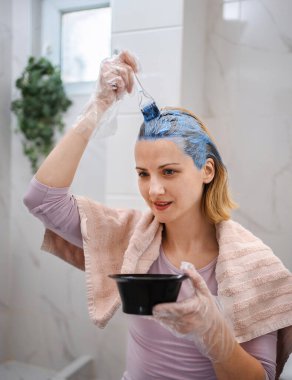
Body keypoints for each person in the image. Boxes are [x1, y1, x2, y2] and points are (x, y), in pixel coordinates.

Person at [23, 51, 292, 380]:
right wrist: (98, 105)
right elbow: (42, 199)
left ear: (207, 170)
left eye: (168, 172)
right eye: (143, 173)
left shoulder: (253, 265)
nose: (153, 190)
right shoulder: (128, 237)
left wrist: (215, 335)